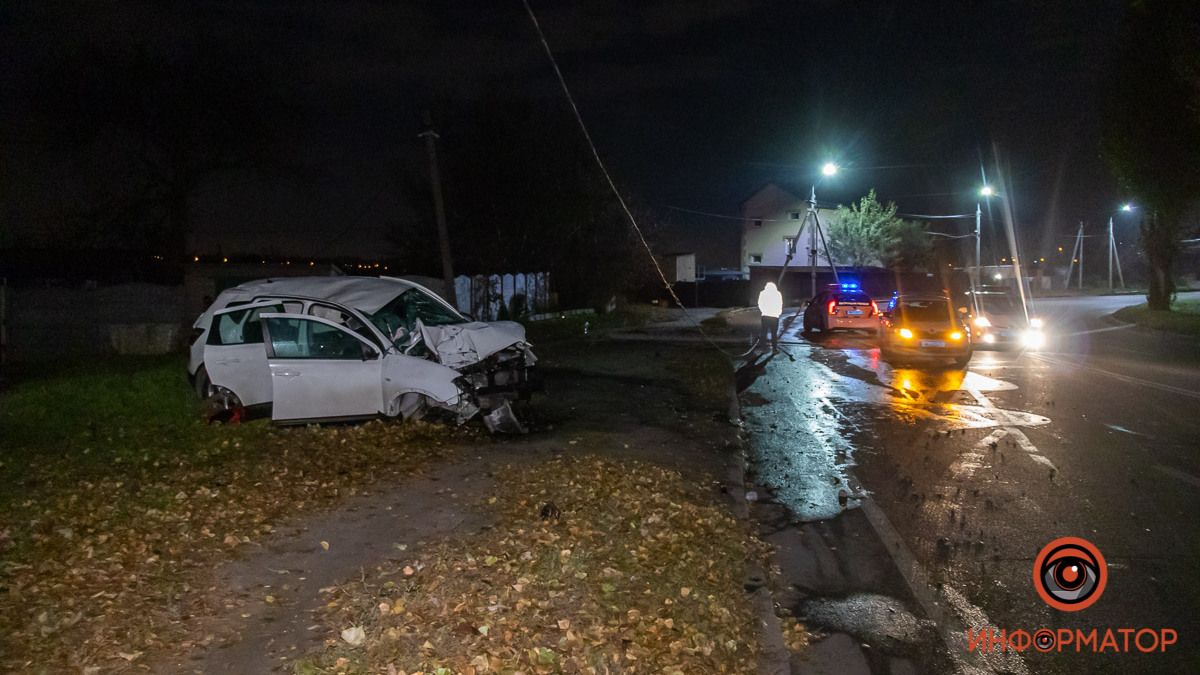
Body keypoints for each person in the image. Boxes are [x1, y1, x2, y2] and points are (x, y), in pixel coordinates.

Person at [757, 281, 783, 350]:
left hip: (765, 316)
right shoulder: (777, 293)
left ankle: (763, 348)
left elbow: (760, 303)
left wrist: (763, 311)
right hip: (774, 316)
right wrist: (778, 312)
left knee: (764, 333)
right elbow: (780, 304)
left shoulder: (762, 293)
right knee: (774, 333)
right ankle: (774, 348)